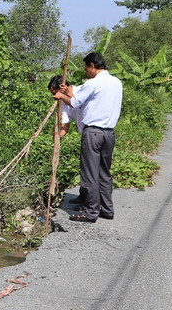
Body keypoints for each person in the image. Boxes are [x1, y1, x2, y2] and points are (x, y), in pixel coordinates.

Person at [52, 52, 122, 223]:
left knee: (90, 172)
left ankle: (90, 211)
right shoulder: (116, 82)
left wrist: (61, 96)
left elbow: (75, 103)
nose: (86, 72)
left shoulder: (93, 83)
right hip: (109, 133)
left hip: (93, 133)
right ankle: (106, 209)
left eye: (86, 68)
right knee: (104, 172)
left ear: (92, 65)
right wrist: (68, 93)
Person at [48, 75, 85, 204]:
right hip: (86, 135)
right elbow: (65, 125)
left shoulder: (82, 90)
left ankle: (92, 202)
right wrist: (57, 138)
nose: (55, 96)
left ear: (62, 88)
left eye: (55, 92)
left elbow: (79, 103)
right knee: (85, 167)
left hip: (97, 131)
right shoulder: (63, 104)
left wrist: (67, 96)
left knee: (94, 169)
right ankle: (84, 196)